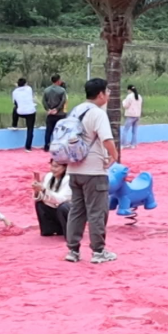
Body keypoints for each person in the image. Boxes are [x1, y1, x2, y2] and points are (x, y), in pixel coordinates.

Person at [64, 77, 119, 265]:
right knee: (97, 211)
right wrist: (114, 155)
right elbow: (106, 139)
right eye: (107, 91)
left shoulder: (75, 111)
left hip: (74, 168)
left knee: (77, 211)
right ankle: (98, 251)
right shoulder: (98, 113)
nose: (109, 94)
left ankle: (73, 250)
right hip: (94, 170)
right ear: (101, 94)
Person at [33, 159, 72, 237]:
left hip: (69, 211)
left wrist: (44, 190)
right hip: (55, 208)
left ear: (65, 167)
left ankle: (70, 232)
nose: (52, 169)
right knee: (40, 203)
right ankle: (49, 229)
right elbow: (44, 197)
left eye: (56, 167)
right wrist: (37, 191)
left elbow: (61, 199)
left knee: (63, 207)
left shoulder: (70, 179)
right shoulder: (48, 176)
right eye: (52, 166)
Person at [42, 74, 68, 152]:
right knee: (61, 131)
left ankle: (46, 146)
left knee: (48, 131)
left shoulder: (46, 90)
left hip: (50, 114)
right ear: (58, 81)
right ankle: (60, 146)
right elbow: (63, 101)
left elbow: (44, 101)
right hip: (60, 114)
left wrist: (48, 109)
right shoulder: (62, 90)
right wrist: (57, 109)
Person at [12, 78, 37, 152]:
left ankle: (14, 125)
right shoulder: (29, 89)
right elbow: (24, 88)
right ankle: (28, 147)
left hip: (21, 112)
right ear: (25, 84)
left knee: (15, 109)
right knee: (30, 129)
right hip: (31, 112)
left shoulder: (15, 92)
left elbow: (15, 102)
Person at [121, 84, 143, 149]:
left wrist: (123, 102)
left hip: (130, 115)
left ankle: (123, 144)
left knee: (125, 130)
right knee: (134, 130)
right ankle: (133, 144)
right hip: (137, 115)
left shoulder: (129, 96)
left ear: (129, 90)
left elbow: (126, 105)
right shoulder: (139, 96)